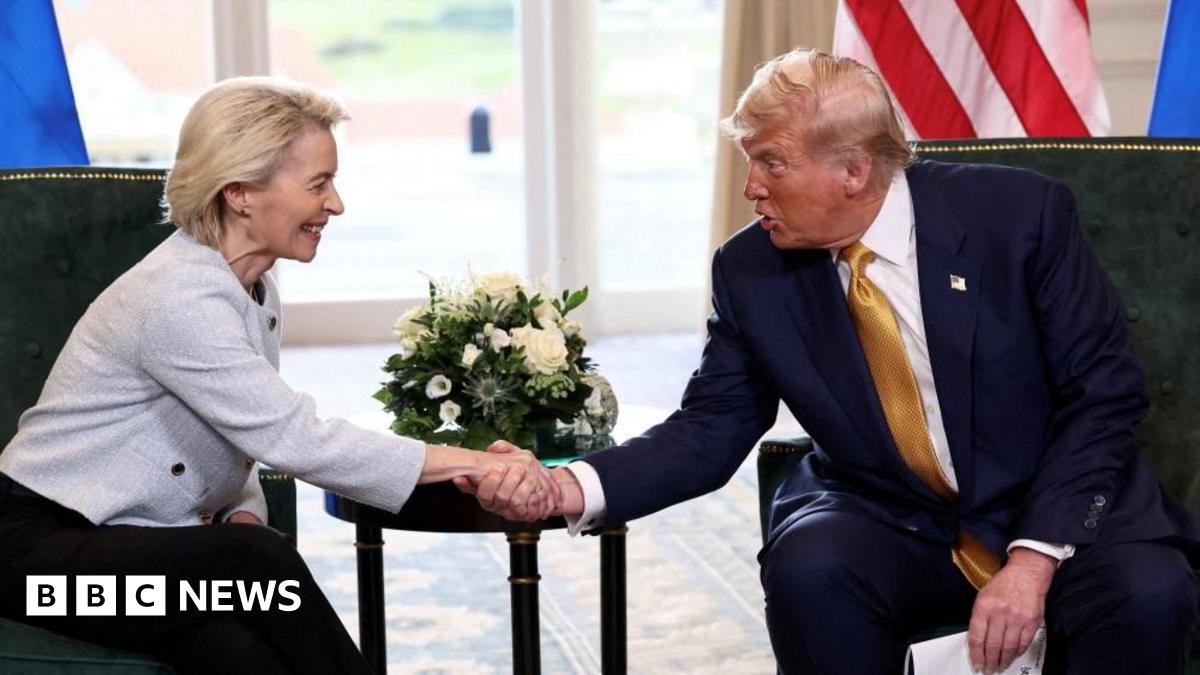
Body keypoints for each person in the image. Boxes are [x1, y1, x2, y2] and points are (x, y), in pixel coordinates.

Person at [460, 49, 1200, 674]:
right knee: (811, 567)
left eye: (772, 163)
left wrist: (1033, 560)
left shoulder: (1018, 217)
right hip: (888, 512)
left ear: (853, 170)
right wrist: (566, 486)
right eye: (750, 161)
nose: (751, 187)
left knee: (1150, 592)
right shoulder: (750, 270)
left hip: (1050, 501)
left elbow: (1103, 394)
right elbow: (710, 427)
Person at [0, 77, 556, 675]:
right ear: (240, 193)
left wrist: (241, 510)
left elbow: (239, 429)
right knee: (255, 560)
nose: (335, 204)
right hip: (38, 569)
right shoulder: (179, 297)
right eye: (318, 184)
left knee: (236, 647)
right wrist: (477, 463)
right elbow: (294, 438)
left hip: (130, 553)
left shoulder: (251, 287)